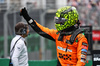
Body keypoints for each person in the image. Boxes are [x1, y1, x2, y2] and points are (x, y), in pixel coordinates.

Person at [20, 6, 88, 66]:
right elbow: (41, 30)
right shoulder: (58, 34)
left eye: (61, 21)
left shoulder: (80, 38)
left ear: (70, 20)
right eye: (57, 20)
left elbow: (81, 61)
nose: (58, 23)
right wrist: (27, 18)